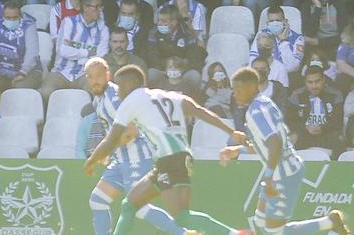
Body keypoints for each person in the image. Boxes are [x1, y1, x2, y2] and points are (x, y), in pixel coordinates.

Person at [83, 64, 249, 235]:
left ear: (128, 85)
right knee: (129, 205)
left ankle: (234, 233)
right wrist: (231, 131)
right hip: (174, 160)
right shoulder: (167, 95)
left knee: (182, 218)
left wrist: (91, 161)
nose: (117, 92)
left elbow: (111, 139)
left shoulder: (131, 101)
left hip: (170, 161)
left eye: (120, 87)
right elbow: (199, 111)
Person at [220, 67, 350, 234]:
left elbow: (275, 143)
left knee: (274, 231)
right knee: (260, 220)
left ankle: (329, 223)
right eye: (233, 90)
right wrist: (238, 150)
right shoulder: (264, 102)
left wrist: (268, 177)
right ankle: (329, 222)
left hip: (282, 175)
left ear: (252, 87)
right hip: (280, 171)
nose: (234, 94)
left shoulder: (256, 111)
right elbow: (268, 145)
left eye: (238, 90)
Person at [41, 0, 109, 101]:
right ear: (85, 7)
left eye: (100, 6)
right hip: (61, 71)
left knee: (94, 92)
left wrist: (73, 48)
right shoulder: (68, 22)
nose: (100, 10)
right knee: (45, 92)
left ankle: (90, 118)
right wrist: (86, 53)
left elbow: (100, 55)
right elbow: (62, 50)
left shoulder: (104, 29)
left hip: (85, 73)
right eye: (96, 7)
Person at [0, 1, 42, 91]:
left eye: (15, 18)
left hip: (29, 72)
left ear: (20, 16)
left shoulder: (29, 26)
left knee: (19, 88)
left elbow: (32, 53)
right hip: (3, 70)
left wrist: (23, 73)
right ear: (3, 16)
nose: (11, 20)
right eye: (8, 18)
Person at [287, 66, 345, 155]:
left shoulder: (335, 94)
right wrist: (306, 128)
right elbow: (290, 121)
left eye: (317, 81)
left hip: (328, 133)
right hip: (304, 133)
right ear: (305, 82)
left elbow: (338, 121)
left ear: (323, 80)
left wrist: (322, 128)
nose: (314, 86)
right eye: (310, 82)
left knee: (340, 139)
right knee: (292, 138)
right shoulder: (296, 95)